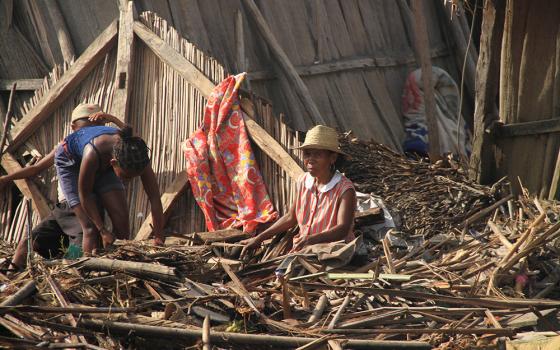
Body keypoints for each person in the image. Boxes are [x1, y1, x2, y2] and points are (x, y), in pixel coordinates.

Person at [1, 103, 119, 270]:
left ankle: (73, 278)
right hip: (62, 210)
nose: (90, 132)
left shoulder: (100, 148)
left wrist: (113, 120)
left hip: (83, 209)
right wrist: (6, 178)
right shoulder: (65, 147)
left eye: (96, 127)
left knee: (78, 251)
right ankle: (11, 278)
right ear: (73, 127)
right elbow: (36, 168)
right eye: (86, 127)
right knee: (28, 241)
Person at [54, 116, 165, 254]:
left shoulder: (139, 158)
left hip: (103, 159)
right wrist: (103, 230)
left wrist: (159, 236)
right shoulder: (92, 154)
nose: (128, 181)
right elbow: (85, 195)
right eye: (126, 177)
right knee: (89, 228)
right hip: (70, 161)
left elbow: (155, 198)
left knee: (122, 223)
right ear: (113, 163)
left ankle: (120, 267)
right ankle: (88, 270)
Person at [242, 125, 357, 255]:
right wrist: (260, 238)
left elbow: (343, 229)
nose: (310, 160)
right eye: (307, 154)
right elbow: (291, 217)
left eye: (317, 155)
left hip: (334, 252)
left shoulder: (344, 189)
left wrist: (311, 239)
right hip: (304, 250)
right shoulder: (303, 182)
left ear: (332, 158)